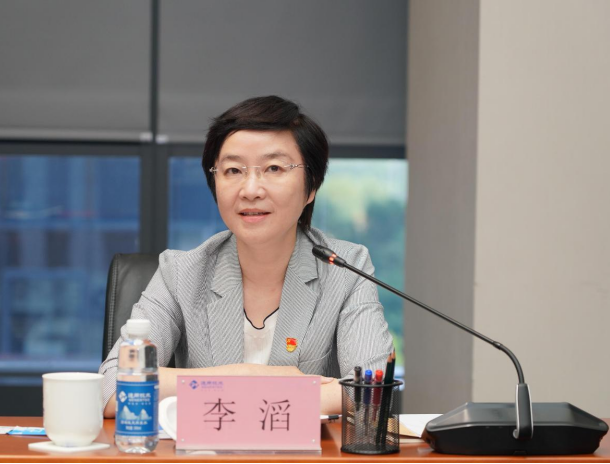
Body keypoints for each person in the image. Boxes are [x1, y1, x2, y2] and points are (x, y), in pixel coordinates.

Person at [99, 95, 393, 417]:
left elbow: (372, 391)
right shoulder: (180, 273)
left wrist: (204, 388)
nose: (250, 190)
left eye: (274, 168)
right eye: (233, 170)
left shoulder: (346, 269)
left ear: (311, 187)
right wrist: (249, 377)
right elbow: (112, 387)